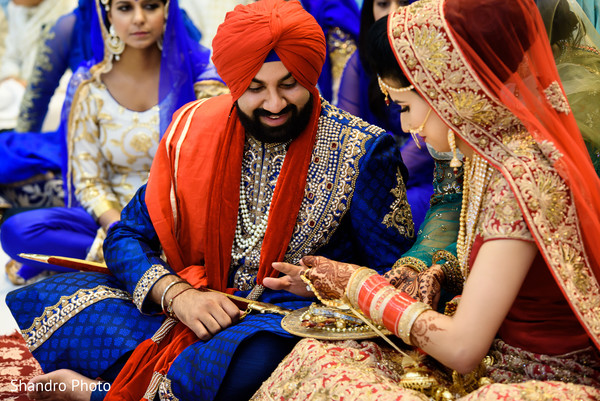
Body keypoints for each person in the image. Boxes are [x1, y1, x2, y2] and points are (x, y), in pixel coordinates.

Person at [6, 0, 416, 400]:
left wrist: (323, 283)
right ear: (235, 84)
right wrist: (177, 296)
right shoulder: (195, 130)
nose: (274, 104)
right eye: (255, 88)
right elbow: (125, 235)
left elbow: (396, 273)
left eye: (289, 84)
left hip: (275, 319)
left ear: (309, 77)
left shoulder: (362, 150)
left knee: (263, 356)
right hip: (191, 299)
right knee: (70, 299)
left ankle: (99, 393)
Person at [253, 0, 600, 399]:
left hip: (539, 379)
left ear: (450, 93)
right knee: (316, 357)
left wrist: (356, 283)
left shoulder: (521, 175)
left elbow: (462, 348)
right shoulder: (495, 156)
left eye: (405, 107)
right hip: (498, 355)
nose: (403, 125)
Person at [0, 0, 225, 284]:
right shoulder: (90, 85)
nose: (139, 18)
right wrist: (120, 231)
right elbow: (88, 179)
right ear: (107, 13)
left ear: (167, 10)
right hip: (112, 220)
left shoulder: (201, 77)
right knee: (18, 230)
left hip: (182, 221)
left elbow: (213, 165)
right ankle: (140, 263)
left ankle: (128, 266)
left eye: (150, 6)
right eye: (125, 8)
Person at [337, 0, 435, 230]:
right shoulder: (359, 63)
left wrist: (379, 181)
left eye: (404, 2)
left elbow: (429, 136)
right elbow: (348, 134)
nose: (394, 13)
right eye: (382, 3)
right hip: (370, 177)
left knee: (395, 210)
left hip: (429, 177)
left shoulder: (434, 58)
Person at [0, 0, 76, 131]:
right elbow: (11, 57)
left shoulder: (71, 9)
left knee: (55, 110)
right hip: (19, 86)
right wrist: (12, 77)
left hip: (57, 90)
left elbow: (77, 70)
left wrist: (34, 85)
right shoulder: (15, 10)